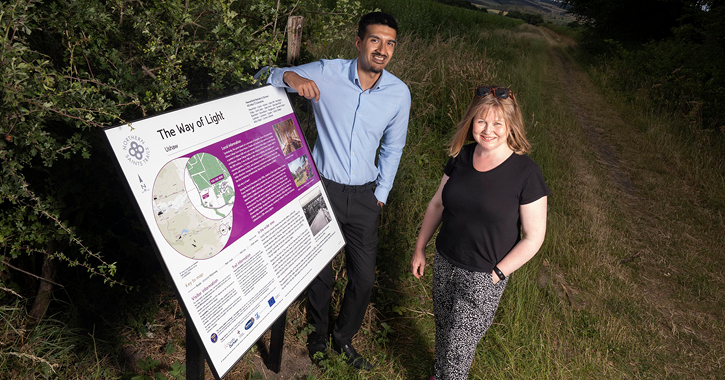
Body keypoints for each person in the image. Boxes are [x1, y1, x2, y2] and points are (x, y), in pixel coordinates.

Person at [267, 12, 411, 370]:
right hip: (323, 190)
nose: (382, 49)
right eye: (375, 40)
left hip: (365, 198)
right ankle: (317, 336)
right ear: (359, 42)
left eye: (390, 43)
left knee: (362, 279)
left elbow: (393, 149)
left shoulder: (398, 94)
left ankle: (342, 337)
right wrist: (293, 76)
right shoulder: (329, 72)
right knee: (321, 272)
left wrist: (382, 194)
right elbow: (266, 76)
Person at [410, 86, 549, 380]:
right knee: (445, 333)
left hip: (483, 276)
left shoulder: (527, 173)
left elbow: (534, 237)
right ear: (471, 121)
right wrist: (421, 247)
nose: (488, 130)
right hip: (446, 261)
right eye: (481, 121)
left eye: (498, 123)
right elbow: (437, 203)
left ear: (510, 126)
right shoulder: (462, 156)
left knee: (459, 353)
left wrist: (497, 274)